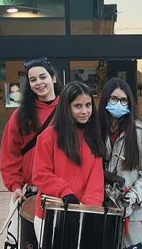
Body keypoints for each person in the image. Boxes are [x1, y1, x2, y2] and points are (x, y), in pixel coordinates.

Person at [0, 57, 61, 249]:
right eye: (33, 79)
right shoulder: (21, 114)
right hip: (29, 194)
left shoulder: (68, 108)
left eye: (43, 77)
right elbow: (9, 151)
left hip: (61, 194)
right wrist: (15, 185)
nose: (39, 83)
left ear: (53, 78)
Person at [31, 81, 106, 234]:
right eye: (78, 106)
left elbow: (96, 180)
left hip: (83, 213)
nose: (85, 111)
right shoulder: (47, 137)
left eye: (88, 105)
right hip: (51, 213)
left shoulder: (93, 137)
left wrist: (89, 210)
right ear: (66, 108)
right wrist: (65, 192)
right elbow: (40, 175)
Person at [98, 77, 142, 247]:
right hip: (99, 208)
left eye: (123, 100)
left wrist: (130, 198)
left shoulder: (141, 132)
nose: (118, 103)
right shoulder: (94, 130)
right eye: (113, 99)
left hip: (133, 211)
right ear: (105, 99)